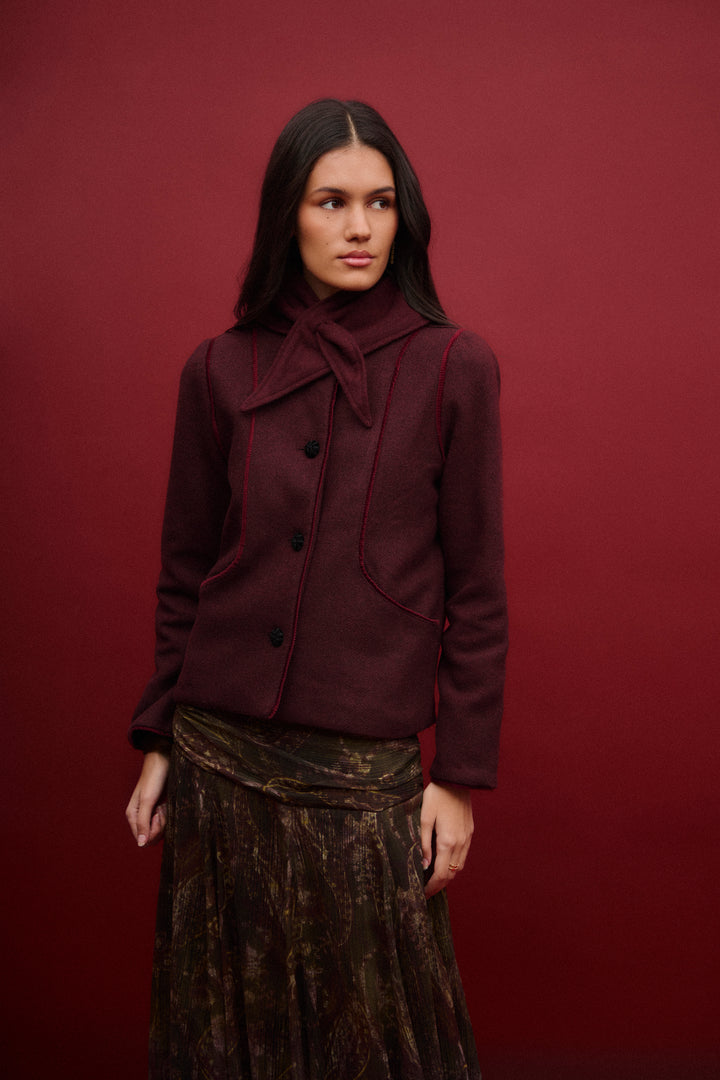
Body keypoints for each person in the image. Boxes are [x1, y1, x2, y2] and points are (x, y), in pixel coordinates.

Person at [126, 98, 507, 1080]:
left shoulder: (453, 366)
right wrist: (160, 736)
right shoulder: (218, 369)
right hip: (219, 758)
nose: (359, 227)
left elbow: (478, 591)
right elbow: (186, 570)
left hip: (362, 774)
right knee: (228, 1036)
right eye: (331, 202)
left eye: (380, 202)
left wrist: (458, 778)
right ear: (285, 216)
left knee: (374, 1039)